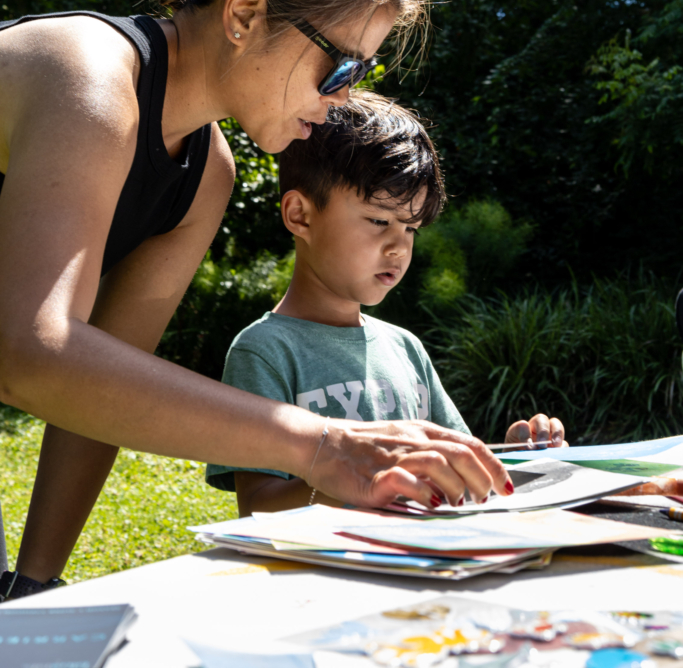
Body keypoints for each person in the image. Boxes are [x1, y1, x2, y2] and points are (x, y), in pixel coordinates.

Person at [0, 0, 516, 601]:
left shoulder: (206, 172)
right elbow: (31, 351)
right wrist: (322, 444)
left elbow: (95, 385)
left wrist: (35, 583)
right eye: (339, 66)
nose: (343, 99)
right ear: (244, 13)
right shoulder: (87, 73)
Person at [206, 92, 565, 515]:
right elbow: (257, 506)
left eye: (411, 228)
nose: (399, 247)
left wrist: (514, 456)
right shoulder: (265, 353)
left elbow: (449, 468)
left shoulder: (406, 349)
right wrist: (360, 486)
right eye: (379, 221)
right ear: (300, 215)